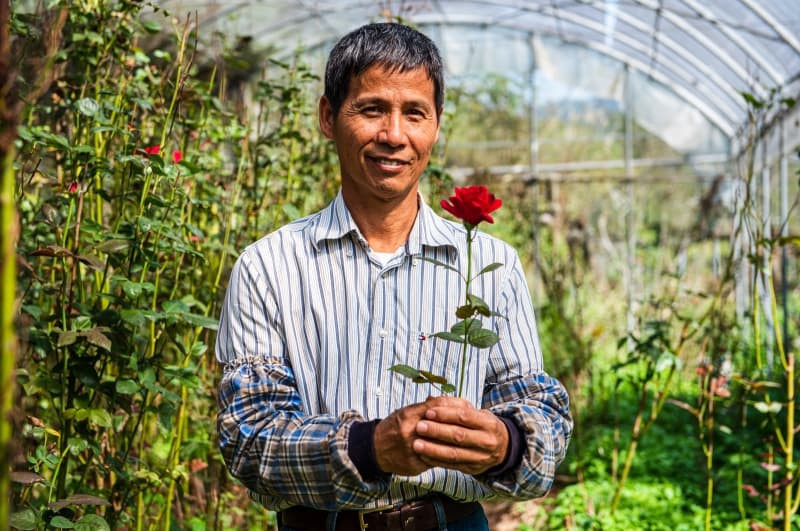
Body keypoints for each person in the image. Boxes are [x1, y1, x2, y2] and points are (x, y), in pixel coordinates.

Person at [216, 22, 572, 531]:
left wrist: (506, 443)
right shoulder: (268, 267)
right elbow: (249, 441)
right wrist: (370, 448)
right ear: (327, 116)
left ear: (437, 124)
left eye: (415, 113)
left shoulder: (489, 265)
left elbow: (540, 417)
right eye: (371, 109)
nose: (395, 135)